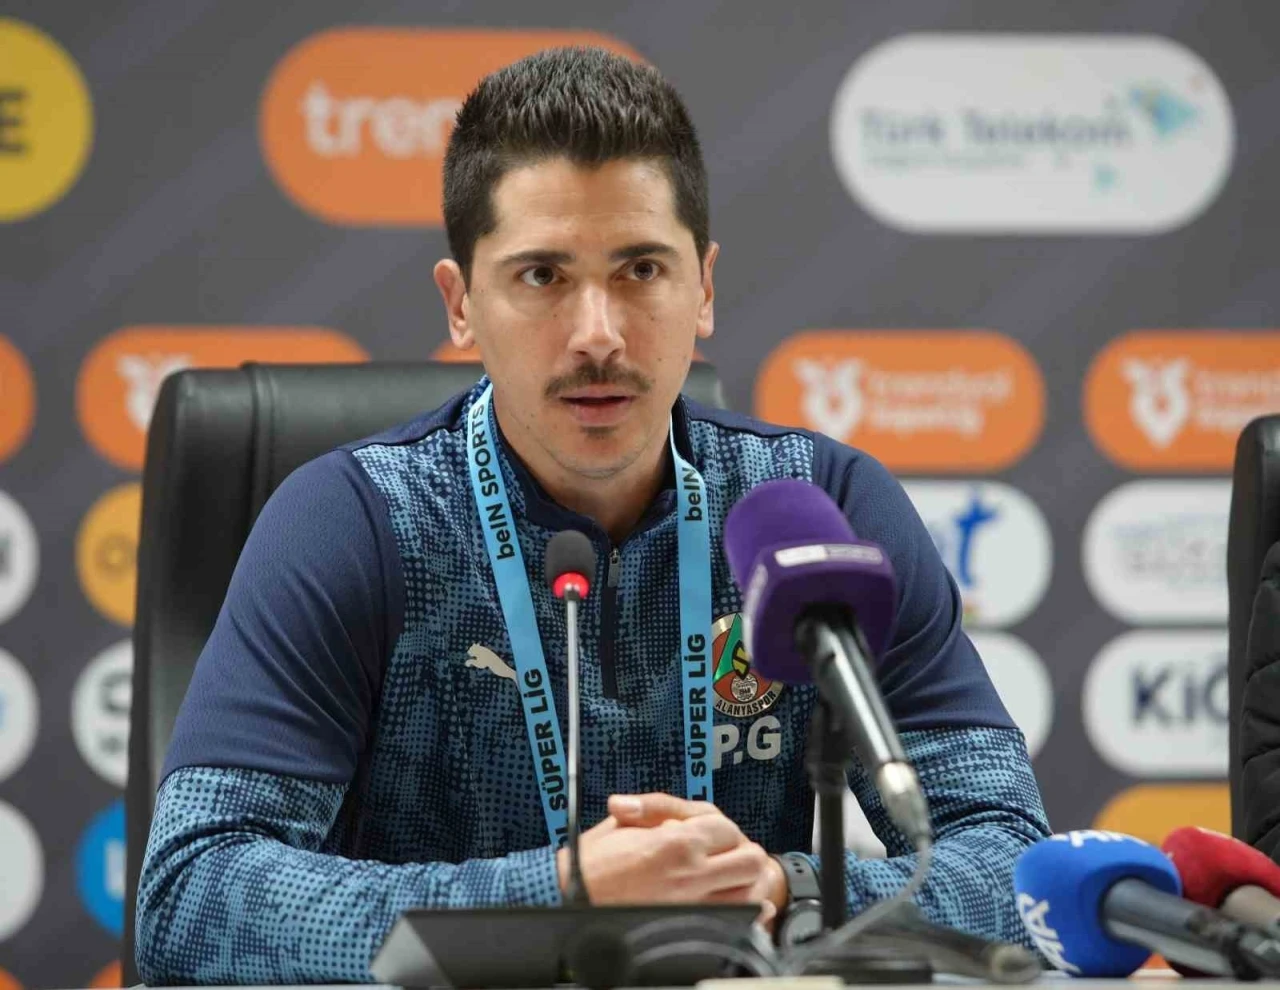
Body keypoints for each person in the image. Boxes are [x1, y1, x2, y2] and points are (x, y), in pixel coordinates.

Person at [135, 46, 1050, 984]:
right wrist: (559, 893)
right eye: (542, 276)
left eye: (641, 269)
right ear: (461, 304)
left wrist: (787, 890)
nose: (598, 335)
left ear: (703, 288)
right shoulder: (352, 521)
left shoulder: (823, 509)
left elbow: (1014, 860)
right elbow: (189, 898)